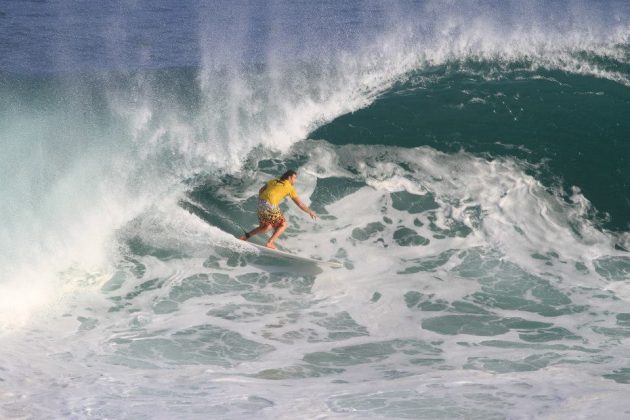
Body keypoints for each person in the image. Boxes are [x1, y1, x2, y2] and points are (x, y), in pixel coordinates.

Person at [239, 169, 317, 249]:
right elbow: (299, 204)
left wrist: (265, 201)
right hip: (270, 205)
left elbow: (261, 190)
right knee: (283, 224)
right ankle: (270, 243)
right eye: (294, 178)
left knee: (266, 227)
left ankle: (245, 237)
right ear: (289, 178)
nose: (295, 180)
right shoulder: (290, 188)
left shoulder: (273, 181)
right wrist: (310, 212)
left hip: (261, 204)